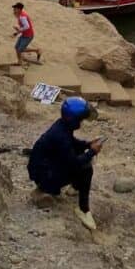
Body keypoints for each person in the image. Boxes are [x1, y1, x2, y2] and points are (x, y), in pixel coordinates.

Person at [27, 97, 103, 230]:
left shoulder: (61, 126)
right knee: (86, 168)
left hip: (44, 168)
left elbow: (71, 143)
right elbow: (74, 163)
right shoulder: (60, 136)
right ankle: (83, 209)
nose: (82, 122)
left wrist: (87, 144)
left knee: (83, 158)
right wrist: (92, 152)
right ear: (74, 120)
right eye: (80, 119)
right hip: (45, 178)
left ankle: (74, 187)